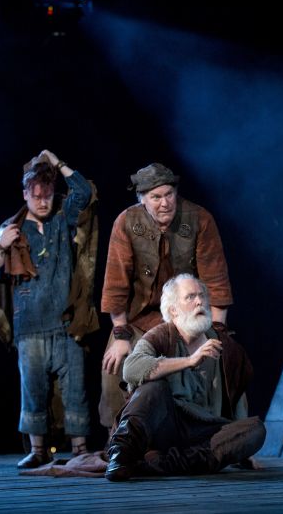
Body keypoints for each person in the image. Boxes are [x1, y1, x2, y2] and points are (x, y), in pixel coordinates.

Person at [0, 150, 99, 469]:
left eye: (47, 195)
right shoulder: (11, 228)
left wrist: (57, 163)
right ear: (25, 194)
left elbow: (84, 192)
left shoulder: (61, 219)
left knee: (76, 388)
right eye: (36, 196)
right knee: (33, 389)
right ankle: (38, 449)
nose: (43, 202)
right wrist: (1, 247)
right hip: (29, 323)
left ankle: (80, 449)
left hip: (66, 321)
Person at [99, 163, 233, 433]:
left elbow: (216, 282)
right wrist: (121, 334)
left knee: (223, 361)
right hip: (139, 320)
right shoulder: (126, 222)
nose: (164, 203)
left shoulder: (199, 219)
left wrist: (217, 331)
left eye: (169, 194)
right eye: (156, 197)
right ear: (142, 199)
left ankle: (216, 432)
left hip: (187, 318)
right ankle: (119, 437)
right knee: (114, 365)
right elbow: (116, 284)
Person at [105, 274, 265, 481]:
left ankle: (156, 465)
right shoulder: (161, 336)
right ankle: (121, 457)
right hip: (167, 426)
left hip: (204, 431)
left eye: (201, 296)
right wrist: (190, 361)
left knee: (255, 429)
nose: (199, 301)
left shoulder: (225, 346)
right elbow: (131, 369)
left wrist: (242, 448)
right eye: (190, 297)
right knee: (152, 388)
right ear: (173, 310)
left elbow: (237, 396)